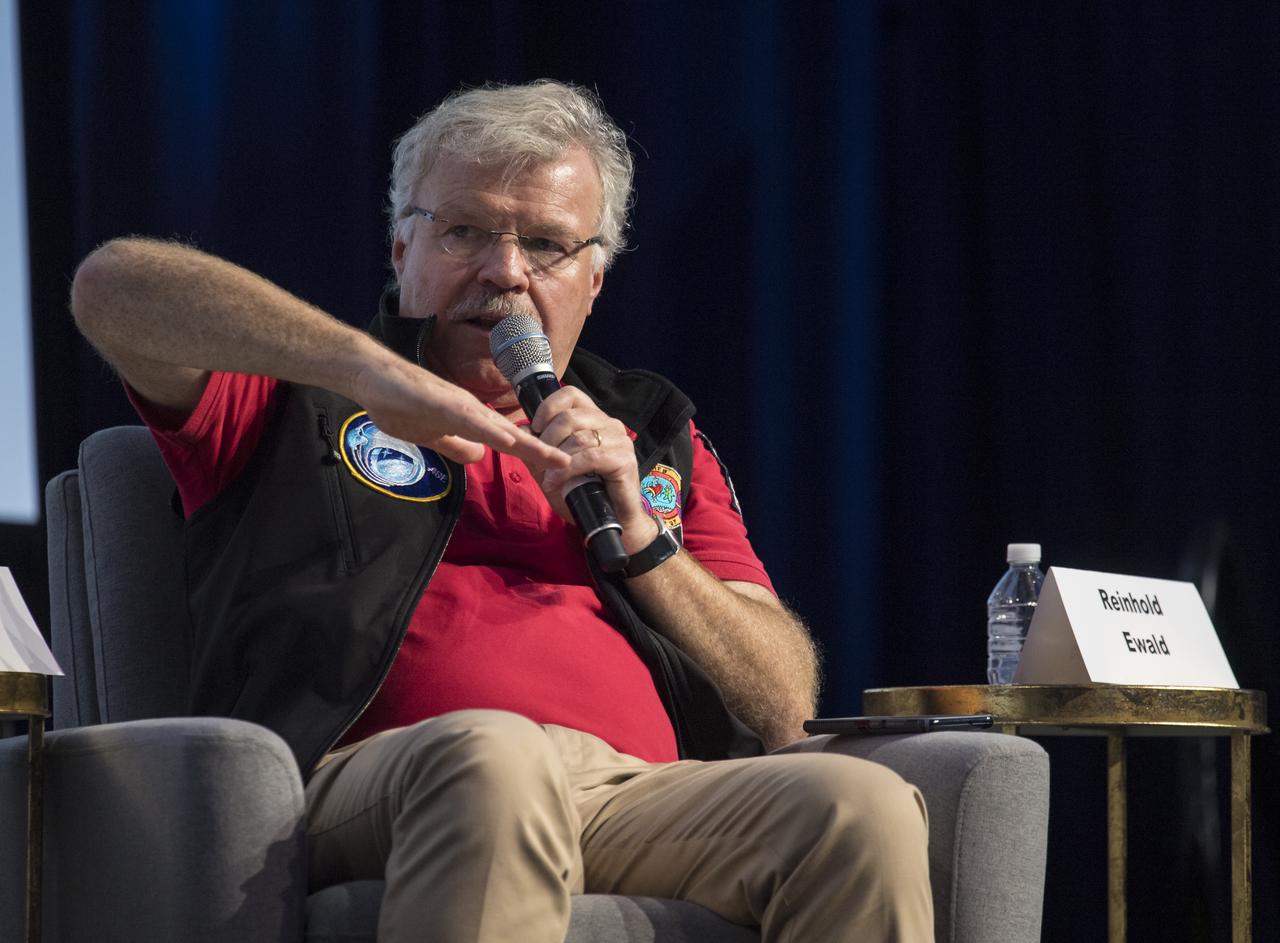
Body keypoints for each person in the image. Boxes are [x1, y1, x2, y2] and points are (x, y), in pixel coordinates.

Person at [70, 79, 932, 942]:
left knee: (863, 805)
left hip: (626, 791)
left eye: (549, 245)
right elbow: (112, 290)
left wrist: (642, 538)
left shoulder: (652, 437)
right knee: (495, 756)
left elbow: (784, 699)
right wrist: (364, 369)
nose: (505, 271)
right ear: (402, 248)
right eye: (466, 231)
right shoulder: (303, 393)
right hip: (374, 774)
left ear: (594, 280)